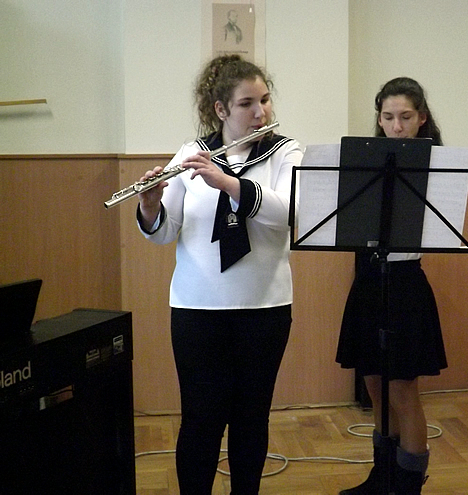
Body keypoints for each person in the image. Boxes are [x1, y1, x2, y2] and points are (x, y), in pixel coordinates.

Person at [136, 54, 303, 495]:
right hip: (197, 310)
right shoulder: (191, 154)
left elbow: (289, 212)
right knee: (200, 420)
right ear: (221, 109)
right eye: (247, 103)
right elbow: (165, 231)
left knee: (251, 419)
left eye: (265, 100)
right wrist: (150, 204)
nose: (260, 112)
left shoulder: (286, 152)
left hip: (264, 308)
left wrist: (228, 182)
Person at [336, 77, 448, 495]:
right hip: (369, 279)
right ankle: (381, 477)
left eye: (405, 117)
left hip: (404, 284)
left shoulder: (436, 165)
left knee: (402, 389)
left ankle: (408, 484)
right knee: (373, 385)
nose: (396, 127)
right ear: (379, 119)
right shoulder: (367, 163)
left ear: (422, 118)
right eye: (388, 117)